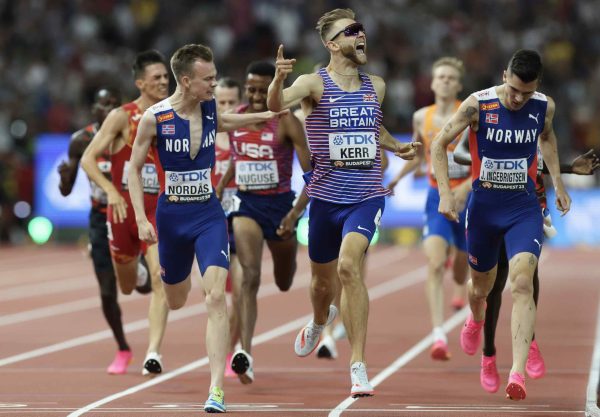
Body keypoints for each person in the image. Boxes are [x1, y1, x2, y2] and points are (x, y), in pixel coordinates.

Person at [267, 8, 419, 397]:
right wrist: (278, 79)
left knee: (349, 268)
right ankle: (320, 320)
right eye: (351, 31)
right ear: (332, 44)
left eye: (361, 29)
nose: (360, 34)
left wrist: (396, 146)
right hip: (325, 199)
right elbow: (275, 105)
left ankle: (358, 365)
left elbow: (373, 126)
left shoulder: (376, 86)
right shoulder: (312, 83)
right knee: (321, 284)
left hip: (366, 196)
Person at [127, 43, 287, 414]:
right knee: (176, 299)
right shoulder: (155, 118)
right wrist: (140, 219)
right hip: (171, 218)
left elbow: (230, 121)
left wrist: (270, 110)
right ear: (186, 81)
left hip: (208, 215)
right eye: (208, 79)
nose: (215, 85)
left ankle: (216, 390)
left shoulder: (212, 110)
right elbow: (133, 169)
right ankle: (168, 276)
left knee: (215, 296)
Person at [432, 49, 571, 401]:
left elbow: (548, 138)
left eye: (526, 92)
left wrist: (558, 184)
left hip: (523, 209)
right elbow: (439, 144)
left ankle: (517, 373)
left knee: (522, 282)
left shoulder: (544, 106)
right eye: (513, 89)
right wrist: (445, 195)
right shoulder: (477, 105)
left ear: (537, 86)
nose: (518, 98)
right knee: (481, 289)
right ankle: (476, 319)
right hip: (484, 211)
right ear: (504, 75)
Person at [453, 134, 599, 392]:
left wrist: (568, 169)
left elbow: (537, 160)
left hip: (528, 203)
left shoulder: (538, 117)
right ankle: (488, 354)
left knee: (526, 277)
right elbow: (459, 153)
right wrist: (490, 161)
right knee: (494, 282)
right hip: (490, 204)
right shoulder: (484, 114)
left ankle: (528, 343)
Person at [215, 61, 311, 385]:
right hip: (247, 205)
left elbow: (312, 176)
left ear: (274, 89)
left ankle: (286, 266)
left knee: (283, 280)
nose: (255, 95)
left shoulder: (287, 122)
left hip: (281, 207)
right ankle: (245, 353)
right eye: (251, 89)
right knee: (249, 276)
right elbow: (238, 157)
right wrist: (221, 186)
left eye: (262, 89)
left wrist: (295, 214)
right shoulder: (238, 117)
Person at [81, 50, 170, 376]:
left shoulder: (174, 114)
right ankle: (137, 269)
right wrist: (111, 191)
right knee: (128, 287)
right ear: (140, 83)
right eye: (157, 77)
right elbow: (88, 159)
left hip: (157, 211)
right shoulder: (122, 116)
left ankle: (153, 352)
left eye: (166, 76)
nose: (164, 81)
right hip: (122, 214)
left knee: (161, 280)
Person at [387, 57, 472, 361]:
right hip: (436, 196)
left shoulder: (470, 114)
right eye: (441, 77)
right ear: (433, 83)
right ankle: (438, 333)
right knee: (434, 264)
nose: (445, 81)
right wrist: (396, 178)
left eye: (451, 78)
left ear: (458, 85)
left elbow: (484, 160)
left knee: (461, 273)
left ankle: (458, 264)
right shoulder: (421, 117)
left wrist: (466, 187)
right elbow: (418, 154)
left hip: (467, 199)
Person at [58, 88, 138, 374]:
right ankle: (123, 348)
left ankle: (139, 271)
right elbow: (66, 190)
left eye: (115, 104)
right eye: (104, 104)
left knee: (143, 285)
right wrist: (64, 178)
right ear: (94, 109)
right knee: (106, 292)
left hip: (130, 214)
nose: (110, 109)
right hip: (99, 218)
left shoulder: (132, 133)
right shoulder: (81, 140)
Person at [212, 77, 243, 378]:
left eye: (232, 102)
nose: (226, 108)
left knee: (241, 292)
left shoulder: (246, 137)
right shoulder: (204, 137)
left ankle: (233, 348)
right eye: (221, 102)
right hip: (212, 224)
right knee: (215, 294)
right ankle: (222, 346)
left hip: (242, 221)